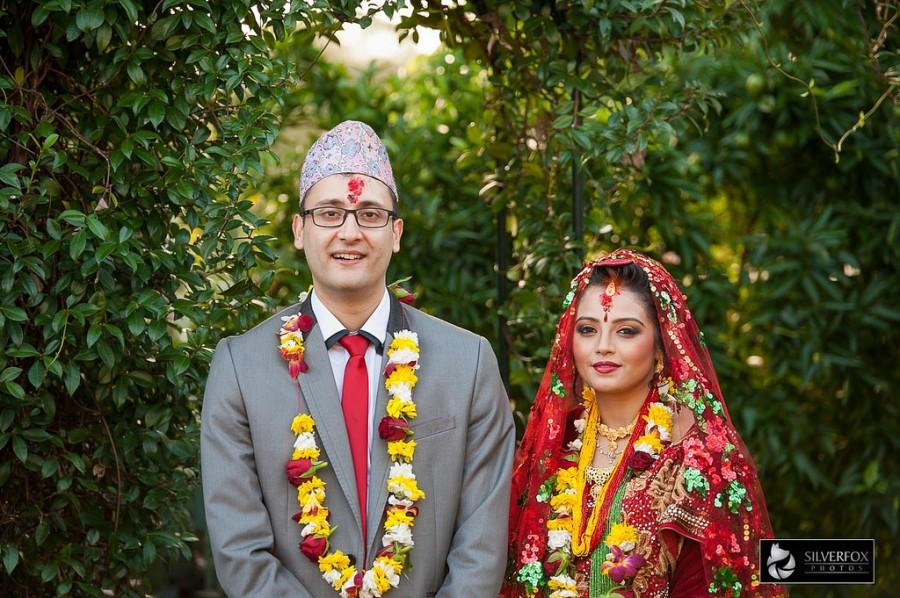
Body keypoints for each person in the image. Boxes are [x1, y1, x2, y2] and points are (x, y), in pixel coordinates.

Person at [201, 120, 514, 597]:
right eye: (329, 213)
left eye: (370, 215)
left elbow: (481, 547)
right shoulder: (242, 368)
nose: (349, 232)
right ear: (299, 230)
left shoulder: (467, 363)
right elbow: (240, 550)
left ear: (397, 233)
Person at [502, 250, 784, 597]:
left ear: (660, 347)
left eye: (626, 331)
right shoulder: (554, 447)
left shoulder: (698, 458)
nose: (603, 347)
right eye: (588, 329)